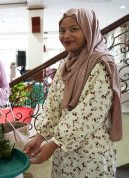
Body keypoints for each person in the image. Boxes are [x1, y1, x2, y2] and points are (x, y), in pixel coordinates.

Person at [23, 8, 122, 177]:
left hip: (90, 153)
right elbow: (53, 104)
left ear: (89, 29)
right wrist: (40, 136)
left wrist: (54, 143)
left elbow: (90, 112)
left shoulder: (103, 64)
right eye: (62, 30)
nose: (66, 35)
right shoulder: (66, 63)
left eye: (74, 29)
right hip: (64, 152)